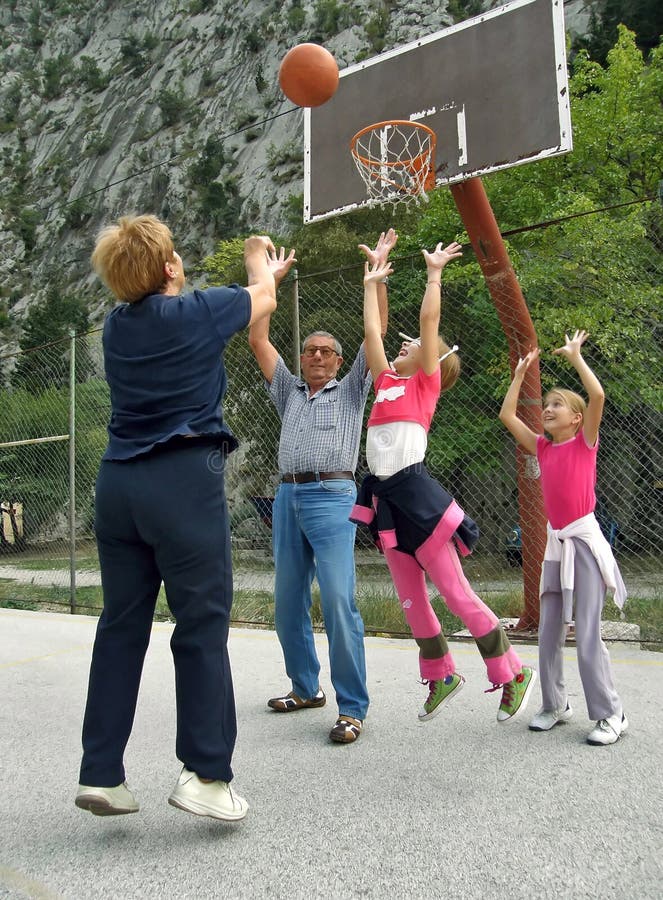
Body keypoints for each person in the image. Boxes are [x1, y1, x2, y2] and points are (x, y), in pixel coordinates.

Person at [75, 214, 286, 821]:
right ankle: (208, 775)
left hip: (117, 485)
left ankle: (101, 773)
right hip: (182, 480)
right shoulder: (196, 310)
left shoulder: (116, 327)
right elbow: (265, 295)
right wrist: (254, 255)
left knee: (120, 627)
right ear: (170, 267)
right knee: (199, 627)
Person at [353, 241, 536, 724]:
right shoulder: (385, 381)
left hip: (418, 496)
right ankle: (441, 676)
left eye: (413, 345)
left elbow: (429, 325)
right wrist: (372, 282)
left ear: (433, 362)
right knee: (412, 600)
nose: (406, 344)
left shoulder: (425, 384)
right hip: (385, 501)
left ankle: (512, 672)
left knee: (456, 594)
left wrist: (434, 275)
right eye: (407, 343)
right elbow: (372, 330)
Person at [248, 229, 398, 744]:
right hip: (287, 497)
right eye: (309, 350)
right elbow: (258, 340)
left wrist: (376, 278)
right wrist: (266, 284)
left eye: (324, 352)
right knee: (288, 599)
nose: (314, 356)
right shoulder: (288, 391)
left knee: (337, 599)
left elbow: (374, 334)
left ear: (337, 362)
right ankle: (305, 687)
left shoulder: (354, 388)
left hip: (333, 497)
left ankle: (352, 707)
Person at [499, 331, 628, 745]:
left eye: (558, 405)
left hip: (584, 544)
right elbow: (507, 416)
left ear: (576, 418)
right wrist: (518, 376)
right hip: (557, 547)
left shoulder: (584, 443)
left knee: (586, 629)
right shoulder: (543, 447)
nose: (550, 409)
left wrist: (575, 357)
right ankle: (555, 704)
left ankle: (611, 714)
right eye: (548, 404)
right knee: (550, 628)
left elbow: (598, 396)